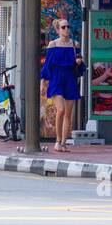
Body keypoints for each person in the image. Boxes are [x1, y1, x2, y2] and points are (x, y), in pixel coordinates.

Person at [39, 18, 83, 152]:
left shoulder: (75, 44)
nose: (67, 29)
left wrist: (79, 62)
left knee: (68, 113)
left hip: (70, 78)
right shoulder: (53, 44)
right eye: (63, 27)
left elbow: (80, 63)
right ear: (57, 29)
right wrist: (42, 81)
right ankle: (57, 141)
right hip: (57, 79)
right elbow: (48, 64)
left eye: (68, 27)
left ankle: (64, 142)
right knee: (61, 110)